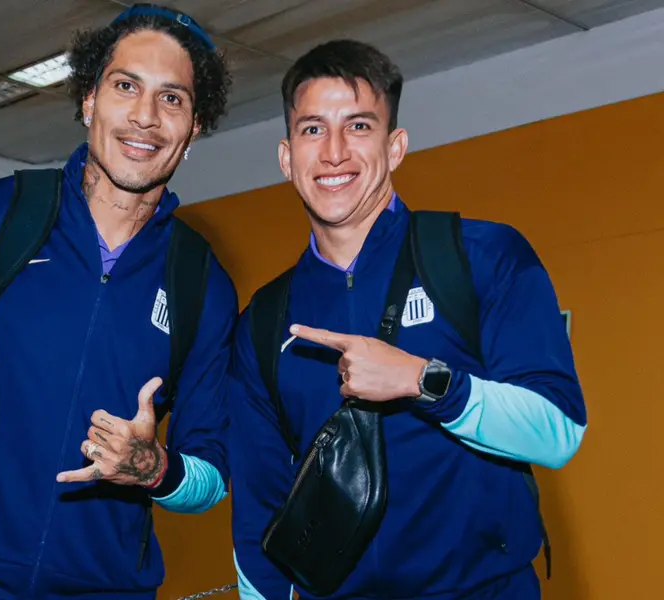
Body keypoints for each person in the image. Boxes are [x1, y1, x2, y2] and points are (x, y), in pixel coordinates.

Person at [227, 39, 587, 599]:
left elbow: (559, 431)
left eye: (359, 126)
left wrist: (424, 380)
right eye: (313, 129)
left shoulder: (480, 256)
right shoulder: (265, 321)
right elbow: (258, 516)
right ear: (286, 156)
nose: (334, 152)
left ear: (395, 147)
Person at [0, 4, 237, 599]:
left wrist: (154, 468)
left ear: (194, 127)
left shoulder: (202, 282)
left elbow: (212, 477)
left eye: (172, 98)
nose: (145, 116)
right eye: (126, 86)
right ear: (89, 100)